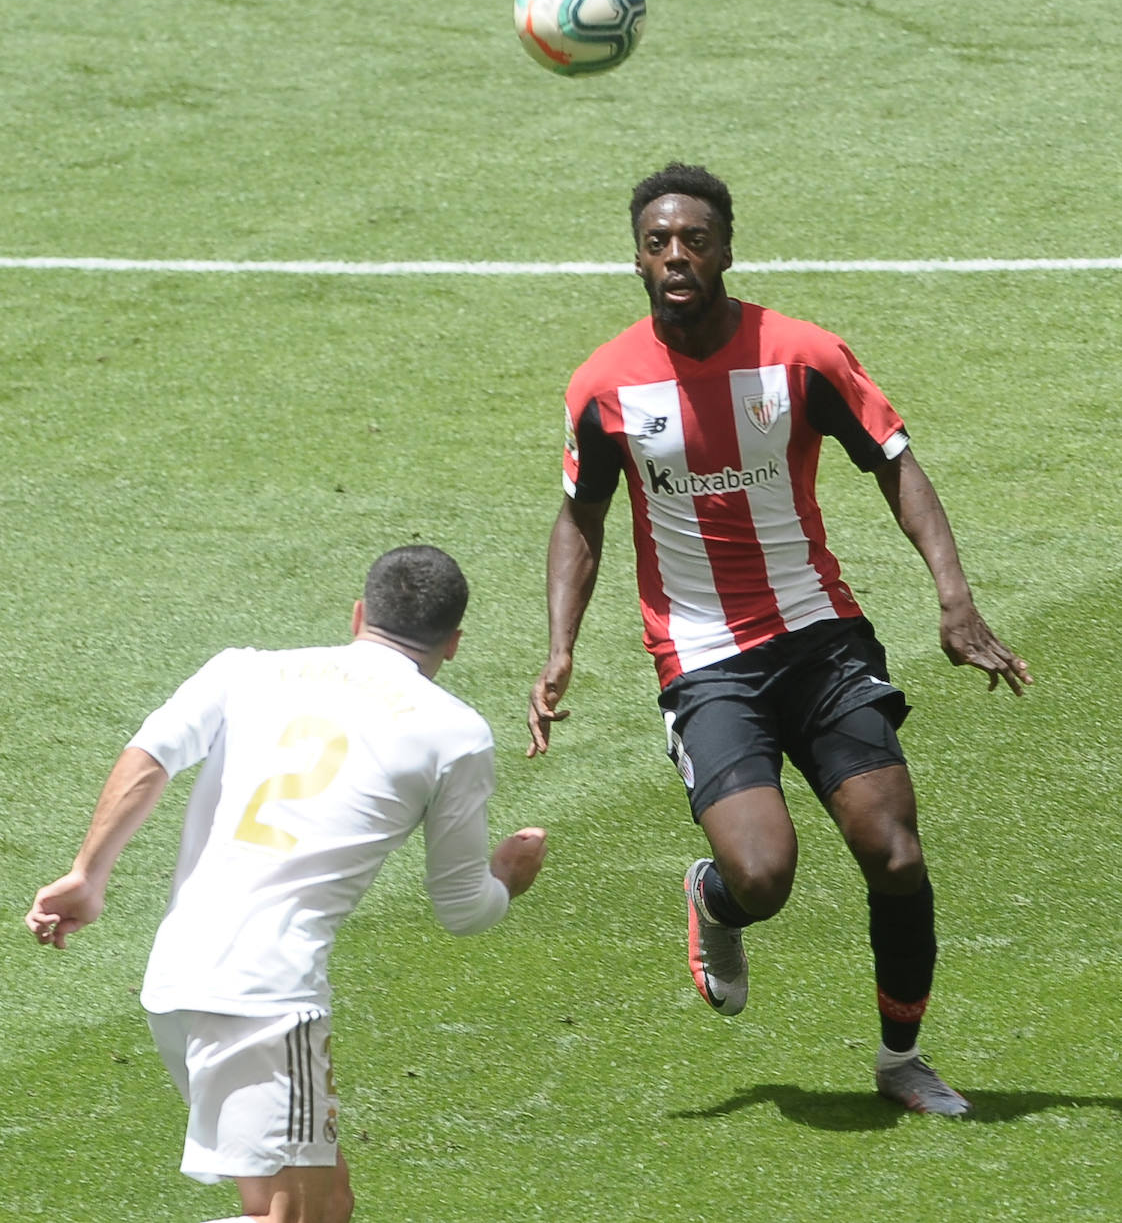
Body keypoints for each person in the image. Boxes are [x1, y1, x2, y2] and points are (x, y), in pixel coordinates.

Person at [528, 163, 1030, 1117]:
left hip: (820, 638)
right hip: (704, 659)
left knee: (894, 853)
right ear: (638, 256)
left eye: (695, 239)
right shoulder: (605, 386)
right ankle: (716, 898)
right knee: (766, 874)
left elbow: (896, 464)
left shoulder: (800, 355)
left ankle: (900, 1059)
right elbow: (580, 516)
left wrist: (955, 602)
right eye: (658, 241)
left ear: (725, 247)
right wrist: (560, 647)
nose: (677, 256)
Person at [28, 545, 547, 1223]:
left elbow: (150, 754)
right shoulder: (455, 733)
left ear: (359, 614)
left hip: (179, 974)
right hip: (267, 995)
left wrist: (87, 875)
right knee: (292, 1220)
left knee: (329, 1205)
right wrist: (507, 877)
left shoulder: (243, 670)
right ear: (453, 643)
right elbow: (461, 908)